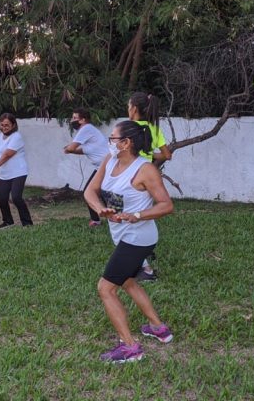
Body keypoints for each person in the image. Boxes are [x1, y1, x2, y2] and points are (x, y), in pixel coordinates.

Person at [84, 120, 174, 363]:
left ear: (126, 143)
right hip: (122, 236)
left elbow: (167, 205)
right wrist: (100, 208)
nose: (110, 142)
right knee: (128, 282)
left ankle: (130, 347)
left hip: (138, 238)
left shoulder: (145, 170)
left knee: (106, 288)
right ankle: (158, 329)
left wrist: (137, 215)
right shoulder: (109, 160)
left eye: (113, 138)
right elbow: (89, 192)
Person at [127, 92, 172, 282]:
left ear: (134, 109)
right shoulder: (154, 128)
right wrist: (150, 157)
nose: (128, 109)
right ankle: (146, 251)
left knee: (130, 220)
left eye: (129, 106)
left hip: (132, 177)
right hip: (148, 177)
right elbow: (167, 155)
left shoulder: (129, 129)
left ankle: (145, 268)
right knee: (144, 214)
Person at [0, 113, 33, 227]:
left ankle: (27, 223)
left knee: (16, 197)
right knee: (2, 198)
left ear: (13, 125)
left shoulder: (16, 137)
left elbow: (7, 155)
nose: (4, 127)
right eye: (2, 125)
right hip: (5, 174)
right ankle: (8, 221)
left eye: (7, 125)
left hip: (18, 173)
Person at [63, 107, 109, 226]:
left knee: (89, 192)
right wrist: (70, 150)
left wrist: (68, 149)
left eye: (74, 118)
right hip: (103, 167)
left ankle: (98, 220)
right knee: (101, 193)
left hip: (105, 166)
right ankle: (110, 217)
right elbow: (82, 150)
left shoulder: (86, 128)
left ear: (83, 120)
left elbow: (72, 147)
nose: (72, 120)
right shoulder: (89, 133)